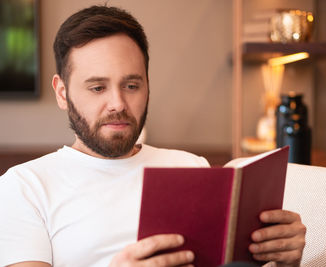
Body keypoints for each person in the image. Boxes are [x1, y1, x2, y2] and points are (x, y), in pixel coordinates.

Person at [0, 5, 306, 267]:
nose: (118, 103)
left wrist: (285, 258)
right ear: (62, 93)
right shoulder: (25, 187)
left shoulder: (191, 167)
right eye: (97, 88)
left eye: (131, 85)